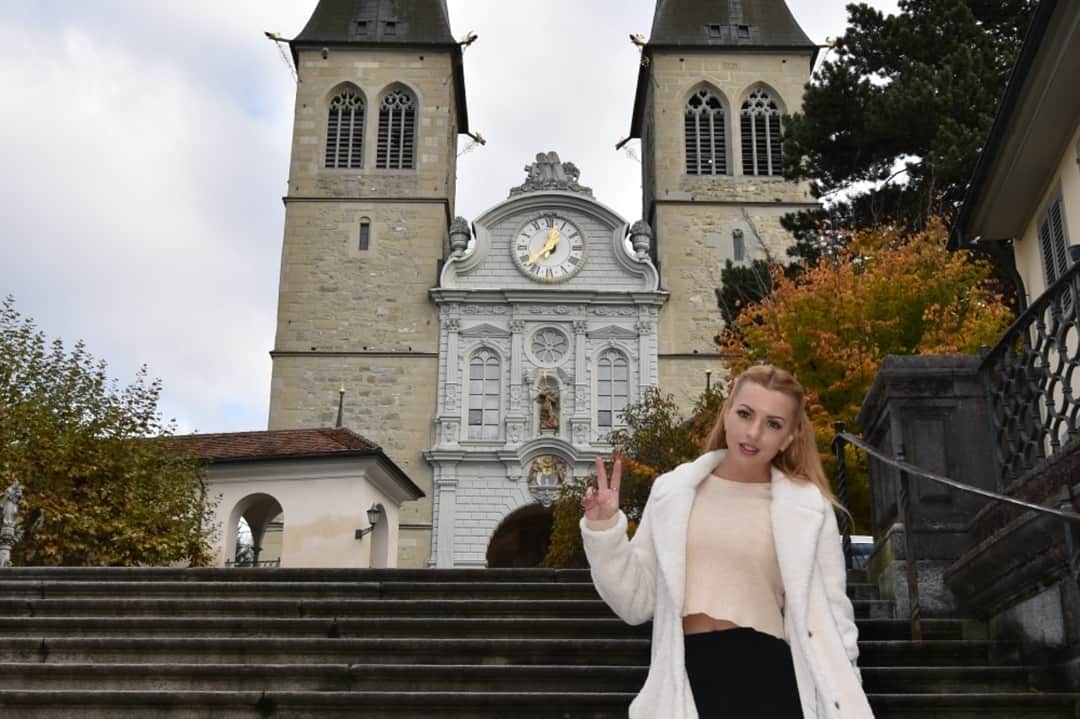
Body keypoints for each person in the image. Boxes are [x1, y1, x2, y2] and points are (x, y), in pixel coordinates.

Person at [580, 365, 874, 719]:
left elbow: (835, 619)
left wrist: (847, 702)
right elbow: (636, 602)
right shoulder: (672, 493)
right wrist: (604, 529)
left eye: (773, 424)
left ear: (789, 437)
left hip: (770, 677)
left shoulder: (808, 508)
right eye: (745, 414)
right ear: (727, 412)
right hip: (687, 678)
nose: (753, 433)